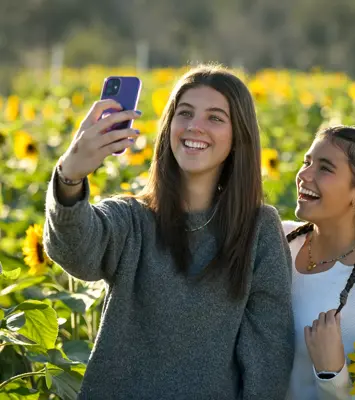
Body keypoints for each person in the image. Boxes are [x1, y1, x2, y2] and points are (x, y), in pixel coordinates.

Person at [43, 64, 295, 400]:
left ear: (239, 137)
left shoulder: (258, 228)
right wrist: (69, 175)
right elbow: (75, 252)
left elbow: (268, 356)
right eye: (185, 113)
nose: (194, 127)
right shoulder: (132, 219)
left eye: (215, 118)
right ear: (168, 126)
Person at [283, 125, 355, 399]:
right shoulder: (277, 238)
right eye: (307, 162)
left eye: (325, 168)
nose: (304, 175)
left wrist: (331, 374)